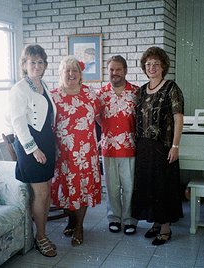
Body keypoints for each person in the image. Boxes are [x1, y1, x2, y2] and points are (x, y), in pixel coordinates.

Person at [131, 46, 184, 246]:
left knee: (163, 186)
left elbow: (179, 118)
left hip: (163, 146)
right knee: (147, 185)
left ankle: (165, 228)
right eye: (148, 64)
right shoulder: (141, 91)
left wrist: (175, 146)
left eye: (155, 64)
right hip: (143, 146)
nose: (151, 67)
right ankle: (154, 222)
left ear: (163, 67)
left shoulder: (171, 88)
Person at [7, 44, 57, 257]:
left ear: (44, 65)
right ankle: (41, 237)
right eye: (32, 62)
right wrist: (33, 149)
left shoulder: (42, 84)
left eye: (40, 62)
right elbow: (17, 122)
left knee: (46, 191)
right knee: (41, 192)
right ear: (24, 65)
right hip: (31, 144)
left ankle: (41, 233)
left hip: (46, 140)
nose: (36, 66)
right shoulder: (19, 88)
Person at [50, 56, 101, 247]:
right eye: (67, 71)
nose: (71, 74)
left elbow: (99, 119)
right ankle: (71, 220)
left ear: (80, 75)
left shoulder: (91, 95)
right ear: (61, 74)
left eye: (75, 71)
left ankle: (79, 226)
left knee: (83, 189)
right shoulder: (53, 97)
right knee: (67, 190)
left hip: (86, 153)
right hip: (63, 154)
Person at [96, 55, 139, 235]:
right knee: (112, 186)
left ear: (125, 71)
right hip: (109, 147)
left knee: (129, 186)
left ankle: (130, 220)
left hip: (130, 147)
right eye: (111, 70)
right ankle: (114, 218)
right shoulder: (101, 94)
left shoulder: (137, 92)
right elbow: (98, 117)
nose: (114, 73)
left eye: (118, 69)